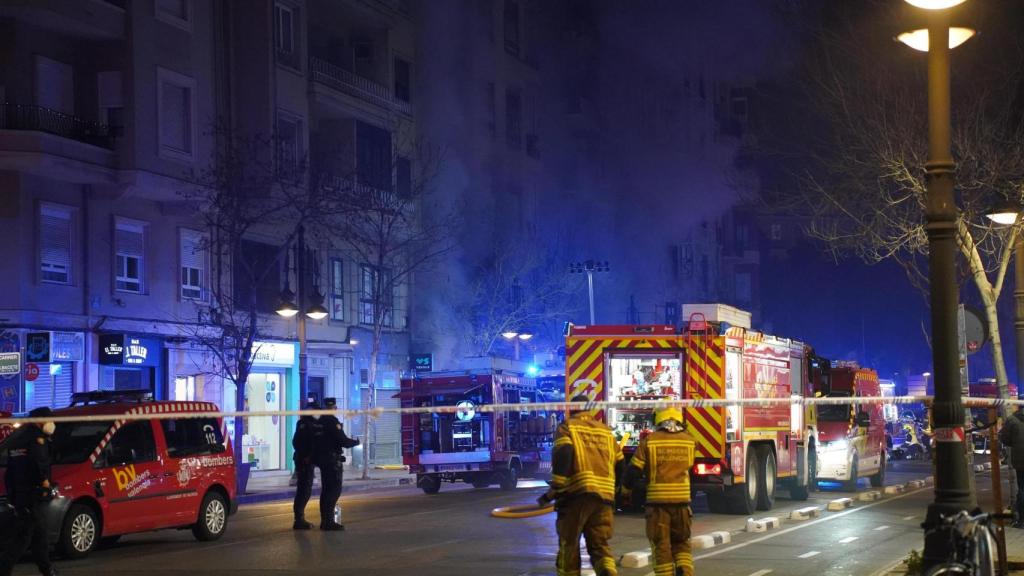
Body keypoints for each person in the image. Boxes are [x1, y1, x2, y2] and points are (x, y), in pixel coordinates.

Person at [538, 395, 622, 576]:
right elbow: (621, 463)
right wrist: (617, 491)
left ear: (571, 408)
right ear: (588, 409)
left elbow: (565, 453)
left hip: (575, 497)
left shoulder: (567, 427)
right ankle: (608, 571)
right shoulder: (605, 431)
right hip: (604, 500)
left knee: (569, 545)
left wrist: (554, 490)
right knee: (600, 546)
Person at [623, 407, 697, 576]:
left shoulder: (650, 441)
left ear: (657, 418)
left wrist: (625, 490)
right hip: (683, 504)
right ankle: (685, 571)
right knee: (682, 543)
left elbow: (634, 470)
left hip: (658, 505)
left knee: (661, 546)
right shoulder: (689, 441)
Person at [0, 407, 58, 576]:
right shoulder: (36, 439)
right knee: (23, 537)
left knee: (39, 534)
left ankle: (47, 569)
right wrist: (45, 483)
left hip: (20, 494)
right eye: (49, 420)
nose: (51, 424)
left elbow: (10, 470)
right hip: (34, 494)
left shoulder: (18, 439)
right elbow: (39, 463)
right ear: (41, 420)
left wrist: (12, 493)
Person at [314, 397, 359, 531]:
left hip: (323, 460)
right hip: (332, 460)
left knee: (326, 491)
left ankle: (325, 520)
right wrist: (356, 442)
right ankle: (328, 522)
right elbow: (342, 440)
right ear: (334, 408)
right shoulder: (332, 422)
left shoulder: (319, 421)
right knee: (333, 491)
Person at [292, 399, 323, 530]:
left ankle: (299, 518)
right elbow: (304, 443)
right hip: (304, 460)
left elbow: (295, 442)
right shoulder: (309, 424)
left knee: (303, 489)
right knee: (304, 490)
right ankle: (299, 519)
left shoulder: (302, 423)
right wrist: (307, 456)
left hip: (302, 459)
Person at [999, 405, 1024, 528]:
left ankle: (1022, 521)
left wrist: (1015, 442)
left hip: (1021, 461)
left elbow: (1004, 439)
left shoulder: (1012, 419)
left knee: (1022, 489)